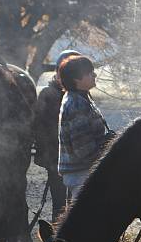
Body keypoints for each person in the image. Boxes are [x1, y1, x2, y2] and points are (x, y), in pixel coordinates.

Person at [33, 50, 80, 219]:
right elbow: (40, 128)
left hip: (78, 158)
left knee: (75, 202)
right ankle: (56, 238)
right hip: (57, 159)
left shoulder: (81, 95)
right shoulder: (48, 94)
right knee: (60, 203)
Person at [57, 55, 111, 199]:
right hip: (82, 175)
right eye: (89, 72)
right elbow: (84, 150)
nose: (94, 74)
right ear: (76, 79)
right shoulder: (76, 104)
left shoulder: (82, 97)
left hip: (83, 173)